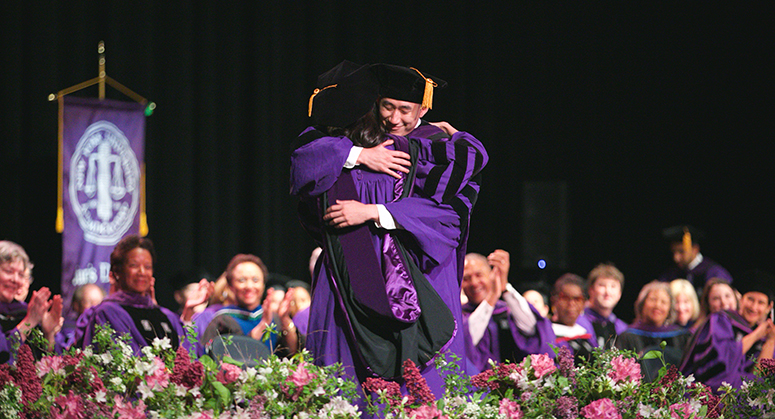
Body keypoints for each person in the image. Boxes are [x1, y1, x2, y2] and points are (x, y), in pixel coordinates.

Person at [291, 60, 487, 405]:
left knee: (422, 385)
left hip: (420, 273)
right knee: (347, 382)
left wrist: (374, 211)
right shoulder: (356, 141)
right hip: (351, 269)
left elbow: (451, 215)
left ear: (424, 107)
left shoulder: (436, 148)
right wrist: (357, 154)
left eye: (405, 110)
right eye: (387, 107)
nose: (395, 119)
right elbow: (306, 159)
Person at [78, 235, 187, 354]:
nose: (142, 272)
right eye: (134, 265)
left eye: (147, 267)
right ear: (117, 271)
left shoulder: (169, 317)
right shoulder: (108, 313)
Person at [461, 250, 555, 373]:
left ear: (491, 275)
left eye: (479, 275)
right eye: (466, 278)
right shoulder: (459, 315)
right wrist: (493, 296)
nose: (474, 283)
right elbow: (467, 339)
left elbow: (533, 328)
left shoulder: (506, 309)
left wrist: (504, 285)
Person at [681, 270, 775, 391]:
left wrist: (771, 341)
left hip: (743, 392)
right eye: (750, 299)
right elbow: (721, 360)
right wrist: (756, 335)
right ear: (741, 299)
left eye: (761, 302)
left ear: (769, 308)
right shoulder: (721, 320)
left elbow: (759, 376)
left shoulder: (765, 335)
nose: (754, 307)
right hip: (713, 390)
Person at [201, 254, 299, 357]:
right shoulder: (221, 321)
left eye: (255, 280)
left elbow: (292, 352)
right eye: (242, 280)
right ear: (230, 286)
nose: (249, 286)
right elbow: (211, 360)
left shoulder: (274, 317)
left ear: (263, 284)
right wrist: (262, 326)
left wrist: (285, 320)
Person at [616, 280, 691, 381]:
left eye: (663, 302)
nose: (657, 305)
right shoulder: (628, 336)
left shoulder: (682, 336)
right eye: (653, 299)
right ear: (642, 304)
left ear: (670, 308)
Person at [0, 240, 63, 361]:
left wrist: (48, 333)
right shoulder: (29, 315)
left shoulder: (23, 311)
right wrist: (29, 321)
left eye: (21, 275)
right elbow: (3, 356)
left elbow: (48, 366)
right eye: (8, 271)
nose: (16, 280)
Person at [657, 225, 733, 291]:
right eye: (673, 252)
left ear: (695, 249)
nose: (676, 258)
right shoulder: (671, 274)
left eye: (681, 251)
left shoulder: (714, 273)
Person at [576, 263, 628, 349]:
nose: (608, 292)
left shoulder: (623, 329)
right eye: (602, 285)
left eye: (613, 286)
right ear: (591, 290)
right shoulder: (577, 323)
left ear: (619, 294)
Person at [550, 273, 596, 362]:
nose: (571, 304)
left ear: (584, 303)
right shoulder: (549, 335)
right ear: (554, 301)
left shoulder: (586, 334)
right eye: (565, 298)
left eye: (577, 299)